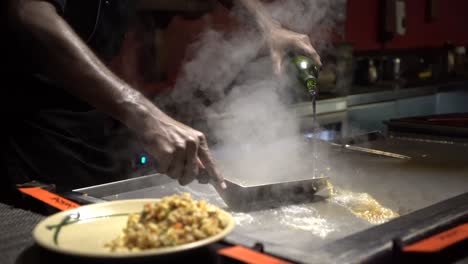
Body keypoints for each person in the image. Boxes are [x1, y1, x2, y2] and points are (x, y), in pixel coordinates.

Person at [1, 0, 321, 205]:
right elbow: (25, 11)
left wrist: (268, 26)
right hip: (16, 133)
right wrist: (146, 116)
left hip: (81, 123)